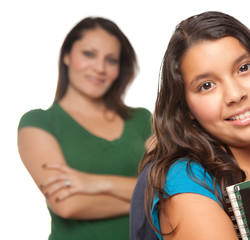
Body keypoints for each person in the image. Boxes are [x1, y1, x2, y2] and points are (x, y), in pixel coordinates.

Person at [129, 11, 250, 240]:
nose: (235, 95)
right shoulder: (185, 181)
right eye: (207, 85)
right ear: (186, 109)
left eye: (244, 68)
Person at [17, 17, 152, 240]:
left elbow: (165, 185)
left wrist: (95, 183)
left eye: (111, 60)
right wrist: (147, 201)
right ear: (67, 56)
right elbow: (68, 205)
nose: (100, 68)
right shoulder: (39, 123)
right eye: (89, 54)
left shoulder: (141, 119)